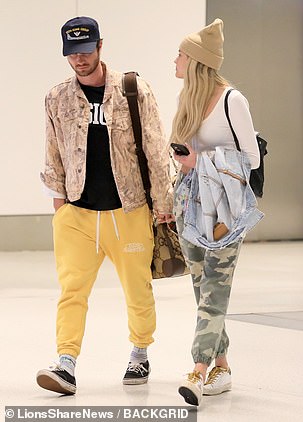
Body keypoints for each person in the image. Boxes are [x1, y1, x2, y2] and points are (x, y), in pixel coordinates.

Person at [37, 16, 173, 395]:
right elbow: (53, 152)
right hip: (77, 213)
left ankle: (140, 351)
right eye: (71, 53)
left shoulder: (133, 90)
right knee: (72, 289)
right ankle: (66, 362)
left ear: (100, 46)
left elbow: (156, 148)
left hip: (128, 209)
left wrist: (163, 203)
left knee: (137, 287)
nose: (79, 60)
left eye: (84, 51)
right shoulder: (56, 97)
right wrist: (60, 206)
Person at [171, 19, 263, 406]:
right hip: (190, 203)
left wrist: (199, 159)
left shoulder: (232, 100)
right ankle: (222, 364)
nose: (173, 61)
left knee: (214, 289)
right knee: (200, 288)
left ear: (194, 60)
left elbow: (252, 158)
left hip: (225, 207)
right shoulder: (188, 98)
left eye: (179, 54)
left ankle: (198, 370)